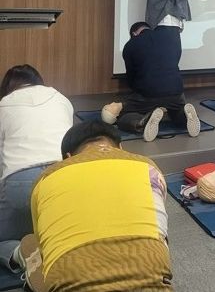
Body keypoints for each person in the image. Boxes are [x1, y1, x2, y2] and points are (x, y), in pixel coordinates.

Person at [27, 121, 172, 290]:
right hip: (152, 276)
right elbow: (160, 229)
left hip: (70, 278)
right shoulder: (148, 166)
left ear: (68, 157)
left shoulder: (46, 178)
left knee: (29, 246)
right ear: (120, 148)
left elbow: (42, 247)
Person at [0, 65, 73, 274]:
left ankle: (18, 253)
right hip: (64, 177)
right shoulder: (61, 98)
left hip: (21, 182)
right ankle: (57, 248)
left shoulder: (3, 105)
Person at [102, 21, 200, 141]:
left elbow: (131, 77)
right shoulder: (169, 39)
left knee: (123, 116)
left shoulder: (131, 45)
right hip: (176, 91)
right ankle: (185, 116)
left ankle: (142, 121)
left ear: (134, 33)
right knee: (175, 111)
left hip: (148, 94)